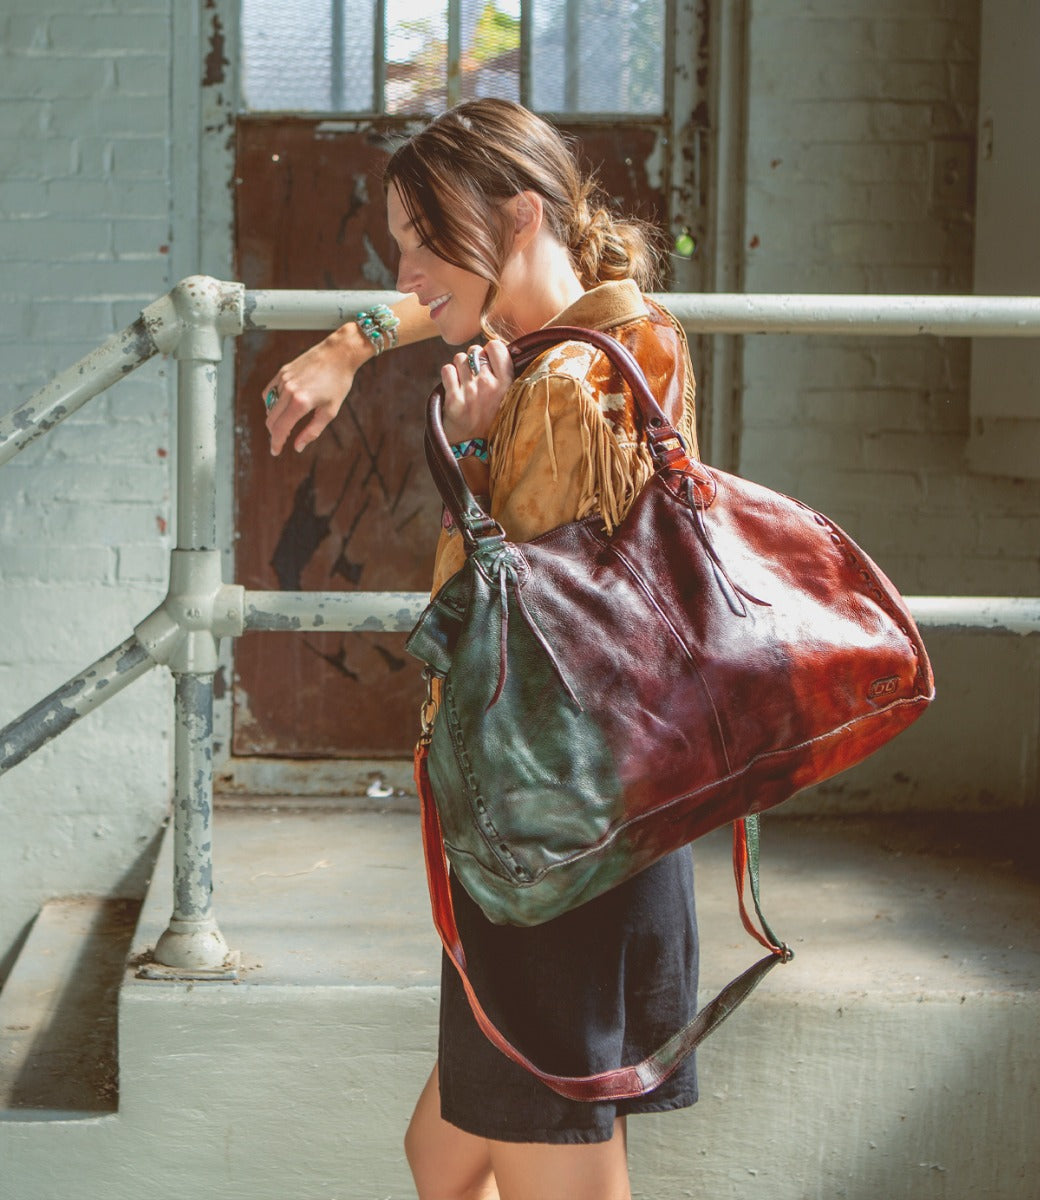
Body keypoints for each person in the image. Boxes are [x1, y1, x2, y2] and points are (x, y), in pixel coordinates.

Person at [263, 98, 701, 1200]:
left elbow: (537, 632)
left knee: (554, 1167)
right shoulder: (616, 332)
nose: (404, 268)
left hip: (560, 834)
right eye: (397, 242)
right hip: (581, 823)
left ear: (515, 216)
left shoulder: (556, 389)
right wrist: (348, 346)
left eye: (420, 236)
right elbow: (459, 308)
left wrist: (475, 452)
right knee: (442, 1152)